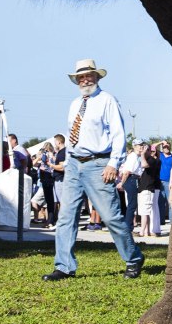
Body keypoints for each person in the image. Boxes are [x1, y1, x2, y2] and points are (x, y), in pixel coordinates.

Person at [44, 59, 144, 280]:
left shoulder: (107, 101)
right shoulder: (74, 104)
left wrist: (113, 163)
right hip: (74, 163)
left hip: (98, 164)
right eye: (81, 77)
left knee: (110, 216)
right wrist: (69, 160)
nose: (85, 80)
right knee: (66, 216)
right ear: (76, 80)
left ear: (97, 77)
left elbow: (118, 134)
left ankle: (133, 258)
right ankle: (64, 266)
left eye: (89, 75)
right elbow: (72, 136)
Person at [137, 143, 163, 237]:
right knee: (145, 212)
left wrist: (143, 154)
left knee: (145, 212)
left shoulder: (153, 160)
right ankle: (147, 231)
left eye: (152, 151)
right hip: (144, 188)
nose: (151, 153)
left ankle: (142, 232)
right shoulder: (149, 159)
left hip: (148, 188)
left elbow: (144, 165)